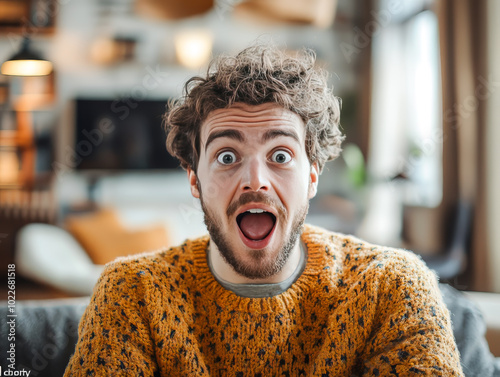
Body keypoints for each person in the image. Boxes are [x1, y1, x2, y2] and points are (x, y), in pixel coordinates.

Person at [64, 44, 464, 376]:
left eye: (279, 154)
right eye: (226, 156)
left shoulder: (393, 287)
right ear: (193, 178)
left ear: (313, 176)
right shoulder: (130, 292)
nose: (255, 181)